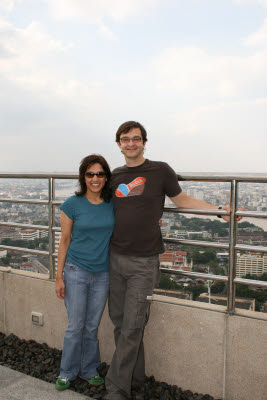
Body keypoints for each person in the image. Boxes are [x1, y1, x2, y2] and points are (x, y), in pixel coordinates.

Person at [105, 121, 242, 400]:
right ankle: (135, 377)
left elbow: (181, 201)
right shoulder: (114, 175)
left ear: (144, 142)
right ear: (118, 144)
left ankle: (116, 389)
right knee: (121, 323)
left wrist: (218, 210)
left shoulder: (160, 170)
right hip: (114, 256)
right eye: (125, 139)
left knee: (132, 325)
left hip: (144, 261)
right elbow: (101, 208)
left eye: (136, 138)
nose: (131, 143)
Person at [55, 154, 115, 391]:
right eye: (90, 174)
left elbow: (133, 218)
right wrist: (58, 277)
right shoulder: (72, 204)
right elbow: (64, 241)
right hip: (75, 270)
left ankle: (89, 369)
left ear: (106, 177)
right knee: (75, 326)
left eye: (100, 173)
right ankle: (67, 372)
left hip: (103, 273)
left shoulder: (112, 203)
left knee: (91, 326)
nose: (95, 178)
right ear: (83, 177)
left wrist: (155, 221)